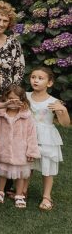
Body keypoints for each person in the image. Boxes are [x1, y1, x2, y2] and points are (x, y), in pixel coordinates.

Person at [26, 67, 70, 211]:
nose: (36, 80)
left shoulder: (54, 101)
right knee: (28, 164)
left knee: (47, 167)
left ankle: (46, 196)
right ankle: (22, 191)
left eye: (40, 78)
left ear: (49, 83)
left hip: (46, 137)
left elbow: (65, 123)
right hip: (28, 134)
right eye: (33, 77)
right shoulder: (25, 96)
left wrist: (62, 110)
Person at [0, 84, 40, 207]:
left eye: (16, 99)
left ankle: (19, 195)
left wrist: (31, 152)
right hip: (3, 150)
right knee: (2, 173)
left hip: (21, 152)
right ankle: (0, 192)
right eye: (10, 99)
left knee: (21, 175)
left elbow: (32, 135)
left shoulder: (26, 116)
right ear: (4, 99)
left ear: (22, 101)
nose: (13, 102)